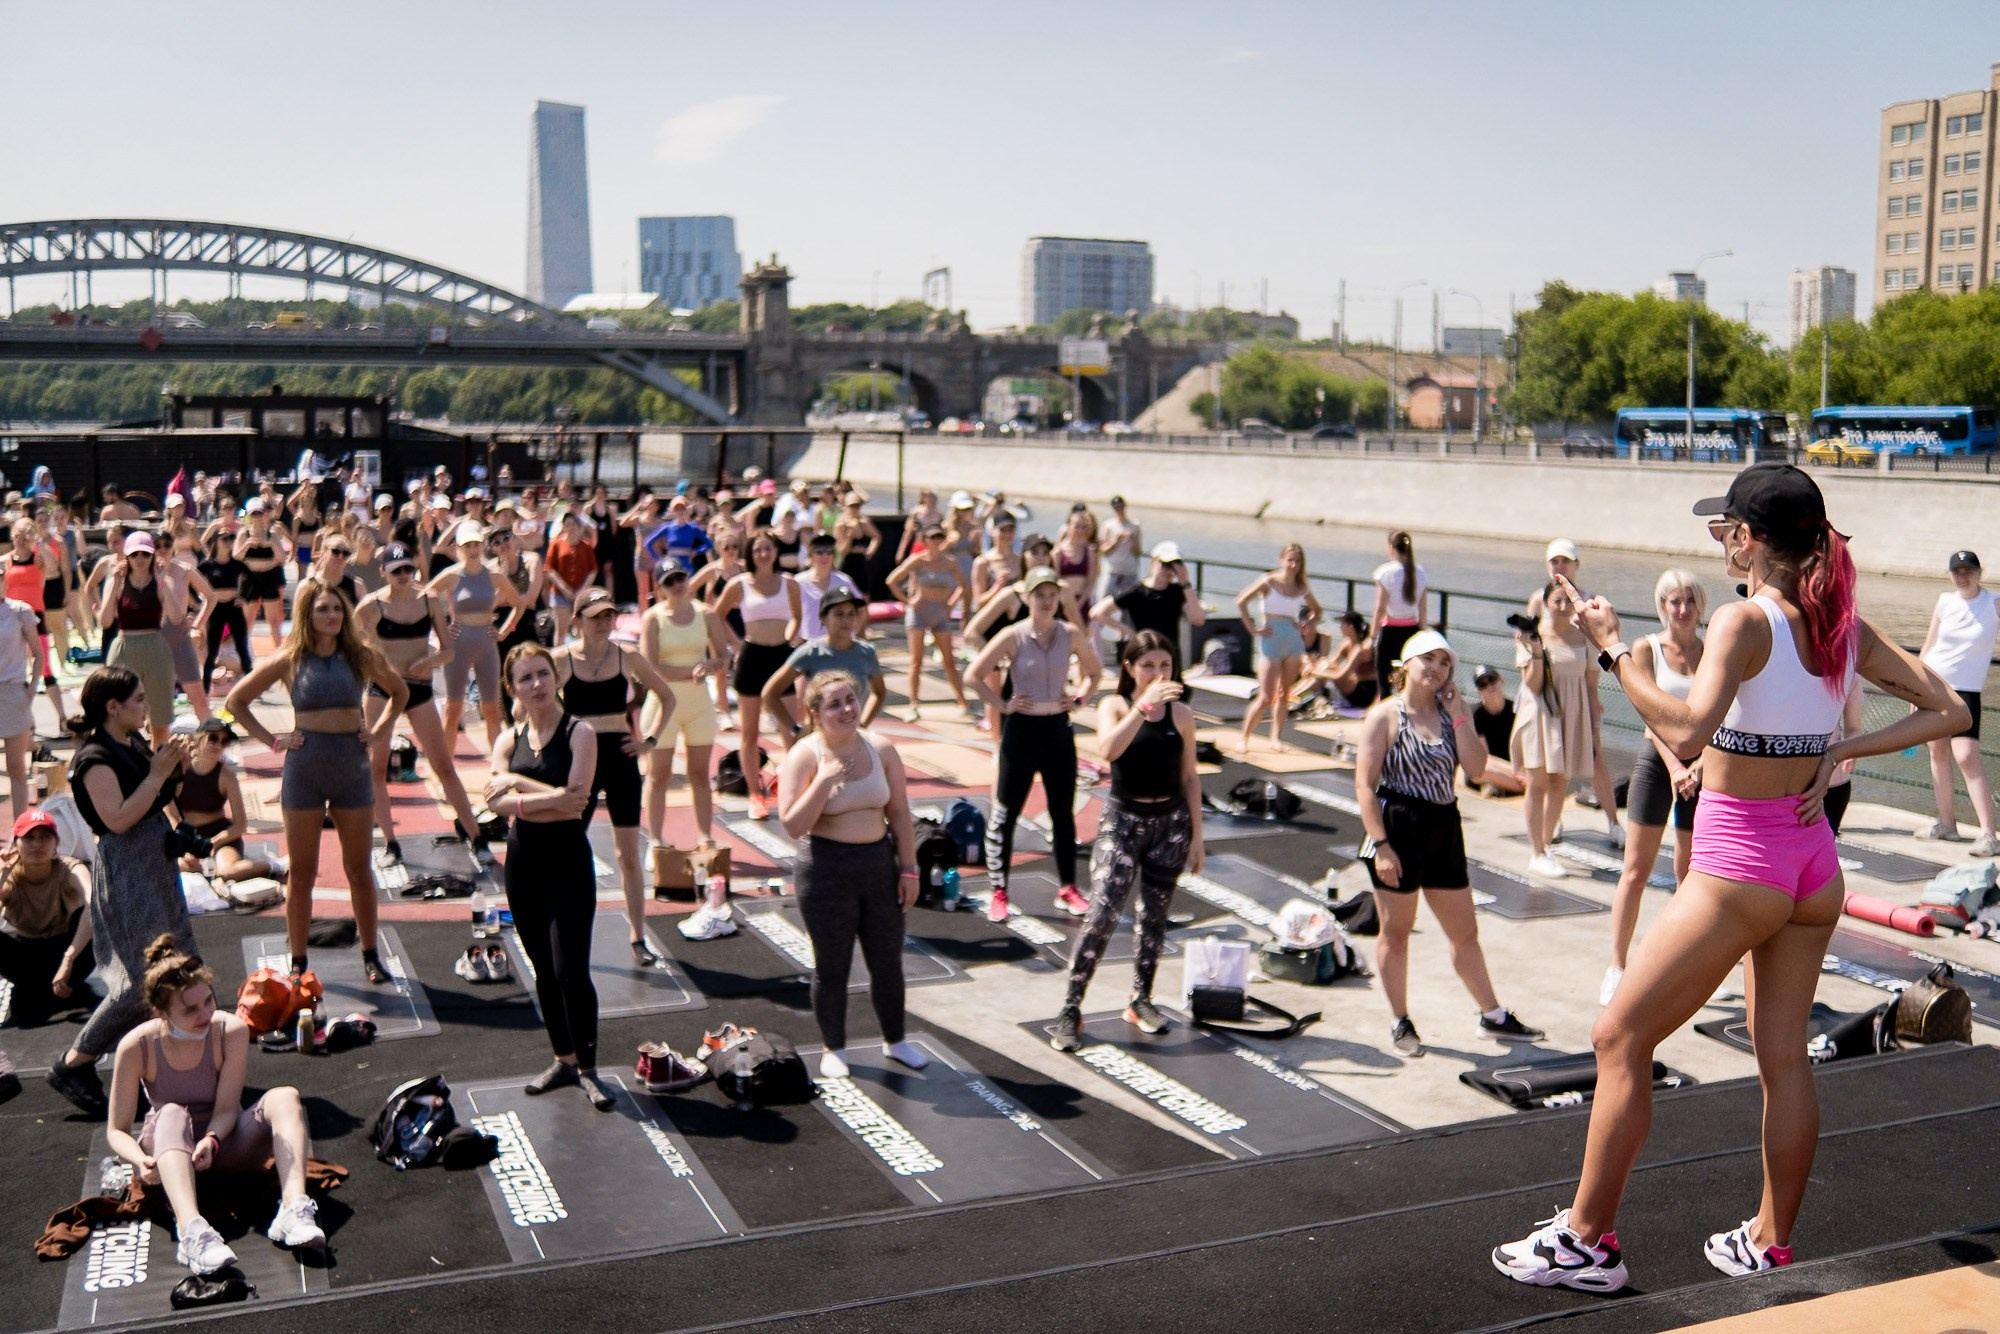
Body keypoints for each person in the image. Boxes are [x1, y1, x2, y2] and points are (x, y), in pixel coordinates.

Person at [1495, 463, 1966, 1292]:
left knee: (1619, 1037)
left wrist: (1609, 646)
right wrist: (1839, 750)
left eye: (1723, 529)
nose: (1717, 541)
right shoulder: (1840, 625)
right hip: (1812, 862)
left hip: (1739, 867)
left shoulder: (1743, 621)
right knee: (1783, 1056)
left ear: (1748, 540)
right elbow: (1951, 710)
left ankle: (1587, 1241)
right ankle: (1769, 1241)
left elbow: (1683, 728)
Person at [1355, 630, 1542, 1058]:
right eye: (1428, 659)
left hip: (1443, 826)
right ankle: (1400, 1019)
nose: (1436, 668)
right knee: (1397, 932)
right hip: (1398, 828)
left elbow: (1475, 770)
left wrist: (1460, 714)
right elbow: (1365, 787)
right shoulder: (1384, 716)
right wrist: (1382, 847)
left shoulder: (1449, 715)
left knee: (1465, 933)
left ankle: (1491, 1015)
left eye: (1444, 662)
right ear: (1406, 665)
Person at [105, 935, 324, 1275]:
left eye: (208, 1001)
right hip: (170, 1152)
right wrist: (141, 1160)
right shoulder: (136, 1046)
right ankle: (192, 1231)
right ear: (161, 1013)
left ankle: (293, 1208)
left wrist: (211, 1140)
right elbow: (117, 1130)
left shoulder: (230, 1030)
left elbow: (225, 1109)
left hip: (223, 1145)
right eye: (190, 1009)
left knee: (285, 1095)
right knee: (173, 1111)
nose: (205, 1013)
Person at [226, 579, 406, 983]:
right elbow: (235, 701)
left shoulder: (359, 654)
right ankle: (298, 960)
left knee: (359, 868)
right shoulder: (290, 658)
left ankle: (371, 953)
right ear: (308, 614)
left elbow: (399, 692)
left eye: (338, 609)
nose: (332, 616)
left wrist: (378, 732)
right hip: (304, 770)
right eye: (323, 609)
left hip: (351, 769)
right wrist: (273, 741)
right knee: (302, 872)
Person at [46, 667, 194, 1117]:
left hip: (154, 861)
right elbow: (118, 819)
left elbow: (156, 796)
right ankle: (75, 1061)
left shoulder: (132, 742)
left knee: (180, 964)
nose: (146, 706)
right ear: (113, 707)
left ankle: (170, 1068)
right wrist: (159, 772)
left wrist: (175, 771)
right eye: (139, 699)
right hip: (128, 869)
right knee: (141, 982)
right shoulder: (93, 759)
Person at [1048, 632, 1204, 1053]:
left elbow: (1190, 776)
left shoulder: (1183, 714)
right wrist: (1143, 706)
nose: (1157, 674)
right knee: (1102, 913)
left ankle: (1141, 999)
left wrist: (1197, 837)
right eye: (1148, 665)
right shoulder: (1116, 706)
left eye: (1165, 666)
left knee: (1155, 917)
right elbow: (1108, 750)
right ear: (1131, 668)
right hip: (1123, 821)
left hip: (1168, 823)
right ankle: (1070, 1008)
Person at [775, 670, 927, 1079]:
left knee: (887, 962)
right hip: (825, 869)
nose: (846, 710)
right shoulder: (805, 756)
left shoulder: (882, 748)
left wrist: (909, 869)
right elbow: (792, 824)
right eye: (834, 704)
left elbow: (899, 813)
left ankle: (896, 1041)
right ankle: (834, 1046)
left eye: (850, 700)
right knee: (832, 965)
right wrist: (823, 782)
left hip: (878, 865)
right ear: (814, 714)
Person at [487, 644, 616, 1110]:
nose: (537, 684)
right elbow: (492, 802)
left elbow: (578, 802)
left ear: (556, 678)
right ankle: (563, 1059)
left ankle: (589, 1068)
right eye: (526, 678)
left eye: (543, 674)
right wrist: (547, 798)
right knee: (542, 970)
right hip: (523, 864)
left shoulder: (580, 733)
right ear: (512, 687)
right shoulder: (508, 739)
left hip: (567, 863)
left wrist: (519, 787)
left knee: (570, 971)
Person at [966, 568, 1102, 921]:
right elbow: (974, 675)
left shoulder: (1070, 633)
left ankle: (1068, 887)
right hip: (1022, 731)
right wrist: (1003, 706)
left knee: (1062, 813)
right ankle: (999, 891)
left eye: (1052, 594)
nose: (1046, 601)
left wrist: (1080, 698)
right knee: (1006, 813)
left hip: (1057, 730)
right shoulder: (1013, 635)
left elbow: (1095, 671)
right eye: (1039, 594)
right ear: (1026, 598)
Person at [1602, 571, 1708, 1005]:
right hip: (1658, 761)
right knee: (1635, 871)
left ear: (1700, 606)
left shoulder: (1713, 651)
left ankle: (1683, 962)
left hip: (1702, 767)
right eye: (1673, 601)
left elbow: (1722, 714)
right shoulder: (1646, 649)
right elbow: (1649, 715)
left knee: (1692, 875)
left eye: (1688, 601)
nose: (1681, 610)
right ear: (1661, 605)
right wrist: (1675, 766)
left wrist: (1699, 764)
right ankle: (1617, 963)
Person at [554, 588, 677, 962]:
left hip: (620, 757)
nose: (604, 623)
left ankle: (638, 936)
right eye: (596, 617)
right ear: (578, 621)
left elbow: (667, 697)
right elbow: (527, 703)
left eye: (609, 615)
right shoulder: (560, 660)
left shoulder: (627, 656)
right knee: (570, 851)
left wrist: (649, 741)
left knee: (628, 856)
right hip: (581, 759)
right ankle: (565, 930)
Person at [357, 544, 485, 863]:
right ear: (383, 571)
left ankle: (476, 836)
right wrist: (375, 667)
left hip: (418, 688)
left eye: (408, 569)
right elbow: (352, 651)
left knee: (443, 764)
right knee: (377, 768)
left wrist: (430, 662)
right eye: (396, 569)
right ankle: (390, 843)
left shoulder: (429, 600)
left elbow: (448, 650)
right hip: (382, 689)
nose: (403, 575)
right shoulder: (371, 606)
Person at [1524, 538, 1625, 850]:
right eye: (1554, 561)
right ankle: (1550, 825)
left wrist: (1594, 700)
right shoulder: (1539, 599)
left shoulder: (1588, 601)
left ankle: (1613, 822)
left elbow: (1596, 651)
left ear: (1576, 565)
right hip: (1547, 691)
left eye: (1565, 561)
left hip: (1579, 690)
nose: (1559, 567)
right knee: (1548, 766)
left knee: (1594, 757)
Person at [1512, 578, 1610, 880]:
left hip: (1573, 713)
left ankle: (1544, 845)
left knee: (1560, 782)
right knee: (1538, 780)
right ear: (1545, 603)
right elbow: (1533, 684)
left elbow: (1592, 686)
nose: (1564, 607)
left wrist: (1594, 728)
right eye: (1557, 601)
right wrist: (1537, 651)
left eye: (1569, 600)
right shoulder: (1530, 635)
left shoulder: (1585, 637)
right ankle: (1537, 851)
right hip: (1540, 712)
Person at [640, 559, 734, 875]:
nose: (677, 585)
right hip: (662, 705)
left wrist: (711, 666)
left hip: (698, 704)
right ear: (660, 588)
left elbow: (724, 657)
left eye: (681, 578)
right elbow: (649, 667)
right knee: (658, 775)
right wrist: (690, 671)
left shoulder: (706, 614)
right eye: (669, 581)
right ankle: (654, 841)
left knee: (699, 774)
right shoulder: (652, 619)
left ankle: (706, 837)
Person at [711, 532, 804, 815]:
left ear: (775, 551)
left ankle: (795, 789)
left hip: (781, 657)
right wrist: (735, 644)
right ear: (750, 555)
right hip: (751, 657)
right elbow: (716, 614)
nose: (763, 554)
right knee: (750, 733)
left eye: (767, 549)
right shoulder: (739, 584)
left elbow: (798, 618)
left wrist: (790, 638)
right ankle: (755, 793)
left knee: (792, 729)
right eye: (757, 550)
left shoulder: (789, 583)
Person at [1917, 549, 1998, 854]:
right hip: (1934, 685)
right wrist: (1916, 688)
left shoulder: (1993, 602)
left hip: (1965, 690)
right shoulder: (1945, 601)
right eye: (1957, 572)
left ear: (1980, 572)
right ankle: (1947, 824)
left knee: (1966, 756)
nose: (1963, 577)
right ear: (1950, 575)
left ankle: (1989, 834)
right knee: (1937, 752)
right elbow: (1929, 644)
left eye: (1969, 571)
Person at [428, 522, 528, 756]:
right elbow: (424, 598)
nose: (473, 550)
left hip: (486, 642)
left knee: (491, 709)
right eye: (467, 546)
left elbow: (518, 603)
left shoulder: (494, 575)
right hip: (459, 643)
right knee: (453, 709)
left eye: (476, 545)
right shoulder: (451, 575)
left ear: (483, 546)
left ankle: (499, 767)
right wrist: (440, 629)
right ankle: (446, 768)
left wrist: (505, 630)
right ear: (460, 548)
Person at [0, 809, 93, 1028]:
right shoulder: (8, 874)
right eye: (29, 838)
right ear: (16, 844)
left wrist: (68, 960)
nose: (37, 844)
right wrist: (3, 875)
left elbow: (93, 903)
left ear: (56, 842)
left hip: (70, 959)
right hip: (26, 966)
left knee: (96, 912)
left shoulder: (70, 868)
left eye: (44, 837)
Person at [174, 719, 287, 885]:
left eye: (225, 741)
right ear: (198, 738)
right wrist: (184, 844)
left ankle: (273, 865)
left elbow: (240, 824)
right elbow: (169, 812)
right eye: (213, 738)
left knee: (228, 872)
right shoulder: (181, 767)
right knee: (179, 866)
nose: (218, 745)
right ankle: (207, 867)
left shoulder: (227, 776)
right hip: (186, 834)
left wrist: (212, 843)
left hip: (220, 835)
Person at [1234, 543, 1321, 753]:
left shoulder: (1301, 587)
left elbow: (1317, 611)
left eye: (1297, 561)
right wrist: (1253, 629)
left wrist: (1307, 625)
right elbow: (1241, 602)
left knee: (1285, 693)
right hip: (1270, 638)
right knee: (1265, 695)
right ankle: (1244, 737)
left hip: (1292, 639)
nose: (1293, 565)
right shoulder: (1269, 581)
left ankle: (1276, 738)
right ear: (1282, 560)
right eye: (1290, 560)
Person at [887, 525, 974, 722]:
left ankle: (963, 702)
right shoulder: (918, 561)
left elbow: (964, 585)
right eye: (932, 538)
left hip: (939, 612)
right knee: (916, 661)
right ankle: (913, 704)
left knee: (949, 661)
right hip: (919, 612)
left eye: (939, 537)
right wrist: (908, 601)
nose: (936, 541)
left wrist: (952, 604)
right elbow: (891, 580)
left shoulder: (950, 563)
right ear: (925, 540)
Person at [762, 588, 887, 724]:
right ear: (824, 618)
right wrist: (793, 728)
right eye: (839, 614)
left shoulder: (866, 652)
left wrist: (863, 724)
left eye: (851, 614)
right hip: (819, 736)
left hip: (851, 735)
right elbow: (770, 693)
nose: (846, 620)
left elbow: (879, 692)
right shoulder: (811, 652)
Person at [99, 532, 179, 745]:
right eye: (135, 555)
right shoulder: (117, 581)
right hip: (124, 646)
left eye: (145, 553)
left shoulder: (162, 581)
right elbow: (105, 621)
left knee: (160, 721)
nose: (140, 559)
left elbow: (176, 617)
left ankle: (159, 770)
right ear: (127, 557)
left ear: (152, 555)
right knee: (117, 716)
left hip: (155, 646)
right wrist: (114, 585)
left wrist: (163, 582)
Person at [1092, 541, 1206, 658]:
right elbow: (1097, 613)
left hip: (1170, 656)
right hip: (1144, 654)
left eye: (1174, 566)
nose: (1169, 571)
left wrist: (1185, 583)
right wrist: (1129, 632)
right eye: (1165, 564)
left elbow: (1198, 620)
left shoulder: (1177, 592)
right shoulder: (1136, 592)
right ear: (1153, 562)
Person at [8, 518, 65, 723]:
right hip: (11, 618)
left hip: (35, 617)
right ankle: (23, 720)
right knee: (16, 669)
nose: (21, 540)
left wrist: (38, 543)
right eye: (18, 535)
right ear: (12, 536)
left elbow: (54, 568)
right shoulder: (5, 561)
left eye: (25, 535)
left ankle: (62, 718)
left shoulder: (39, 559)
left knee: (45, 667)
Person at [1370, 530, 1428, 700]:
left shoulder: (1386, 572)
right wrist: (1423, 633)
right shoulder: (1420, 572)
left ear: (1391, 548)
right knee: (1408, 677)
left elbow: (1380, 608)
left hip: (1390, 630)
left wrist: (1372, 636)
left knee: (1384, 680)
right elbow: (1423, 609)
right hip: (1412, 630)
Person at [0, 588, 40, 820]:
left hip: (14, 693)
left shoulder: (19, 611)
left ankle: (19, 830)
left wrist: (32, 687)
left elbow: (38, 653)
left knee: (16, 767)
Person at [195, 528, 252, 690]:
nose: (228, 542)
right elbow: (190, 582)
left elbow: (251, 579)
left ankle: (251, 687)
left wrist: (243, 597)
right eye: (224, 539)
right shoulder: (207, 565)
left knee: (242, 649)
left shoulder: (237, 564)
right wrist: (198, 601)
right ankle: (205, 689)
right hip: (215, 608)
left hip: (233, 607)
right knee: (211, 651)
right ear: (216, 542)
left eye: (231, 539)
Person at [234, 498, 292, 652]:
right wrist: (247, 545)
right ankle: (244, 651)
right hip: (250, 578)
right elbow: (236, 557)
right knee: (248, 618)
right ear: (249, 515)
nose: (257, 517)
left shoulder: (271, 534)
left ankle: (279, 651)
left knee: (273, 618)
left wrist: (270, 545)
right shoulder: (244, 534)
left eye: (259, 513)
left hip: (269, 577)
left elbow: (282, 559)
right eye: (254, 514)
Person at [1465, 665, 1525, 795]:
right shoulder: (1476, 714)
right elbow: (1484, 757)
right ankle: (1505, 785)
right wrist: (1515, 771)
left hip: (1513, 767)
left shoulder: (1515, 710)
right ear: (1478, 691)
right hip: (1488, 766)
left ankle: (1500, 786)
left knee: (1527, 779)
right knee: (1481, 770)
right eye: (1482, 684)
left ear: (1501, 680)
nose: (1489, 686)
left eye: (1492, 680)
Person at [543, 509, 598, 642]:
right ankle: (558, 660)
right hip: (560, 594)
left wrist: (583, 589)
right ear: (563, 527)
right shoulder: (556, 544)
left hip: (581, 593)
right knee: (560, 630)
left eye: (573, 524)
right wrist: (564, 588)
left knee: (582, 630)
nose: (571, 527)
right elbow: (549, 569)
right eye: (567, 524)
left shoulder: (586, 545)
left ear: (578, 526)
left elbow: (593, 570)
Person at [795, 532, 862, 640]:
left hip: (838, 644)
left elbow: (861, 609)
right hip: (808, 644)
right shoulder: (798, 582)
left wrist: (853, 632)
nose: (825, 556)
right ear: (811, 555)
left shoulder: (844, 581)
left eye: (829, 551)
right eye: (819, 551)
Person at [1097, 496, 1143, 604]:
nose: (1119, 510)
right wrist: (1116, 541)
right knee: (1103, 600)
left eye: (1121, 507)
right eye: (1116, 507)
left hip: (1129, 570)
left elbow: (1137, 552)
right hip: (1111, 570)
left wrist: (1133, 539)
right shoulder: (1108, 525)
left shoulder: (1134, 525)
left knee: (1129, 604)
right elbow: (1103, 550)